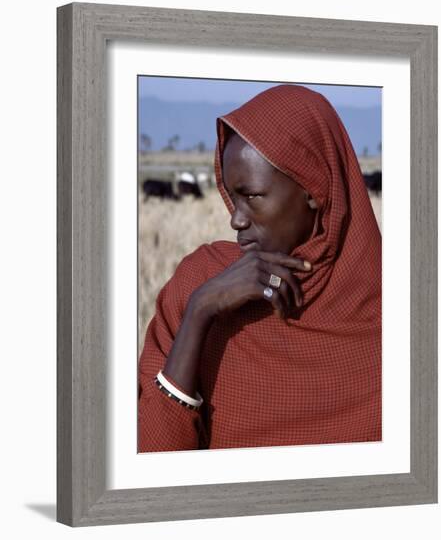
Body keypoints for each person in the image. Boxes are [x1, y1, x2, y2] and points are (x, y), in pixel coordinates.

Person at [138, 84, 382, 452]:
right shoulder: (200, 283)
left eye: (251, 196)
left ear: (314, 190)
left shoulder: (403, 309)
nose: (235, 219)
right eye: (232, 198)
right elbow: (151, 461)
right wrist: (199, 313)